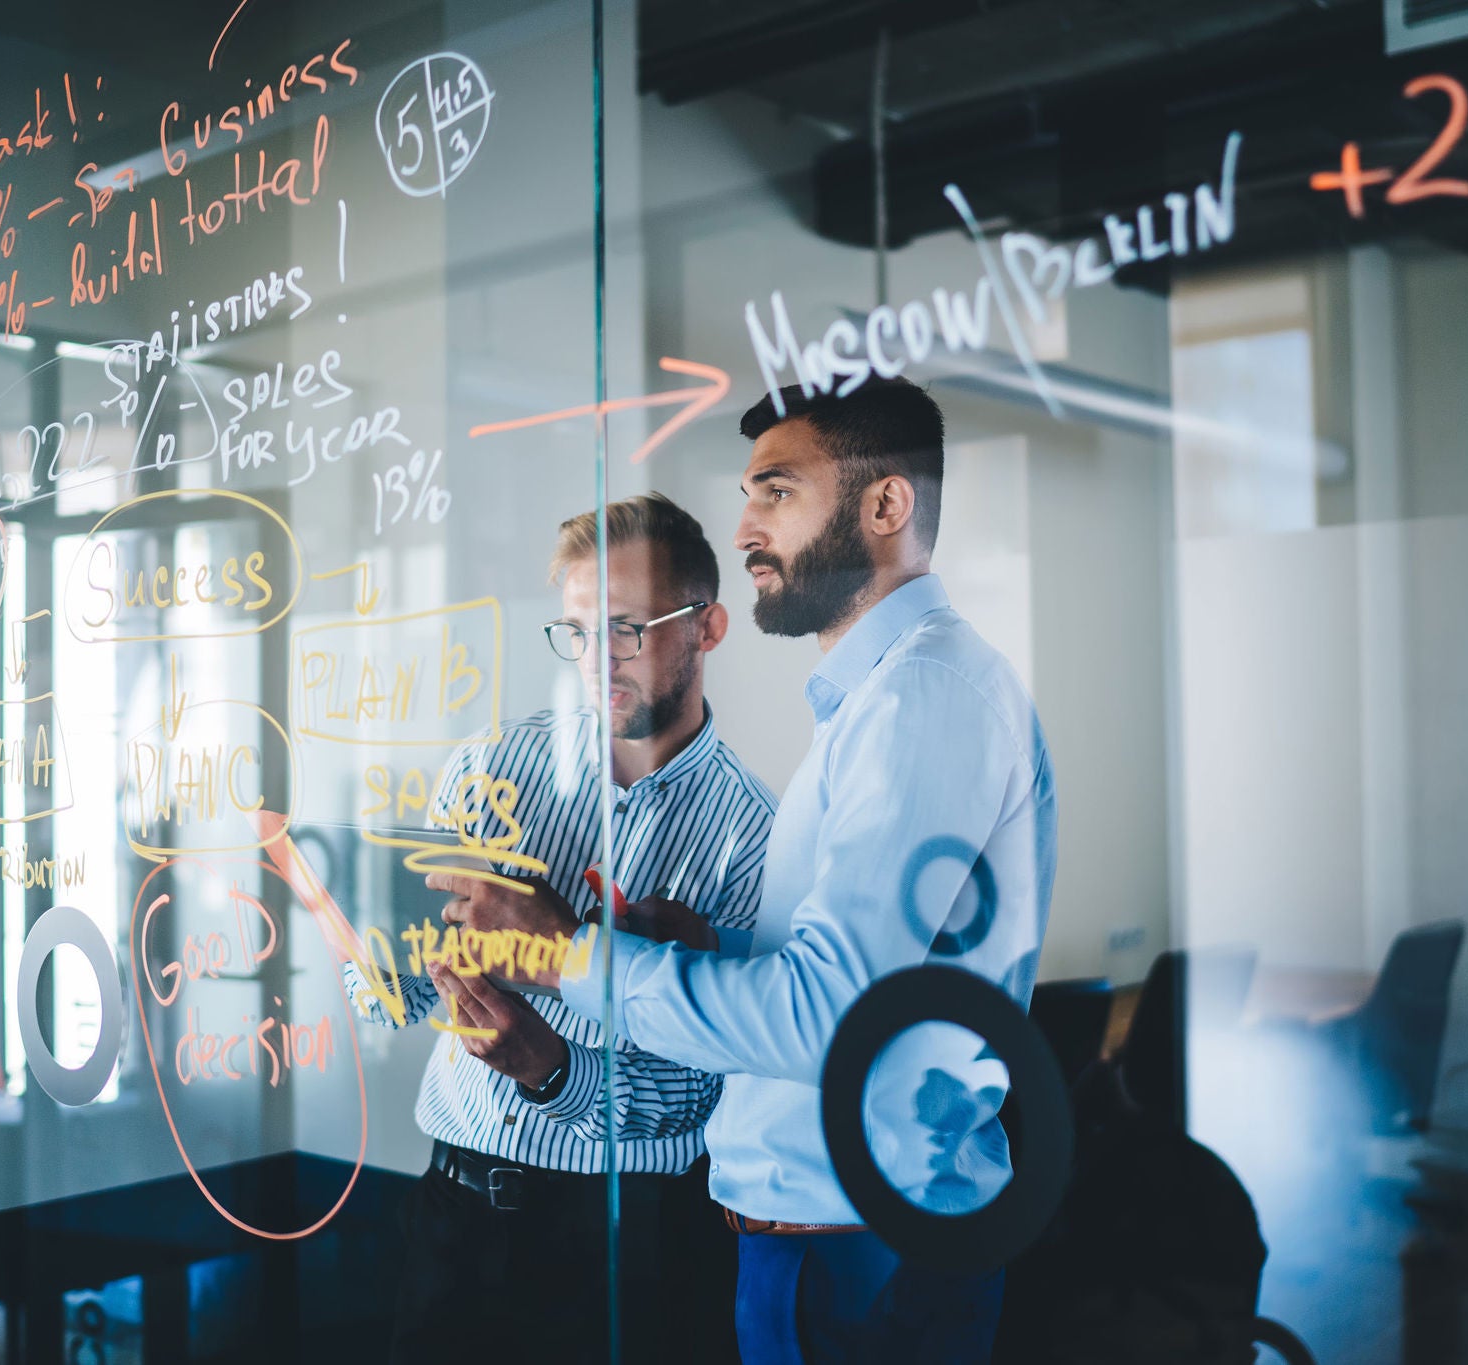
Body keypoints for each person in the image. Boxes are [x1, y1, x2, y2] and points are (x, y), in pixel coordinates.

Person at [442, 378, 1059, 1363]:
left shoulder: (918, 703)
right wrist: (713, 945)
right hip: (835, 1245)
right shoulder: (882, 703)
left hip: (859, 1253)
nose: (742, 530)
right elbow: (872, 984)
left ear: (884, 506)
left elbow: (829, 1019)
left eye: (775, 492)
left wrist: (568, 959)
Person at [334, 493, 777, 1365]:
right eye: (575, 632)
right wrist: (388, 953)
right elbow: (380, 1002)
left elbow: (694, 1098)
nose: (594, 659)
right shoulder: (488, 766)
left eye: (626, 628)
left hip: (631, 1241)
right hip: (453, 1216)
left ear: (709, 627)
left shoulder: (752, 835)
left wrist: (549, 1068)